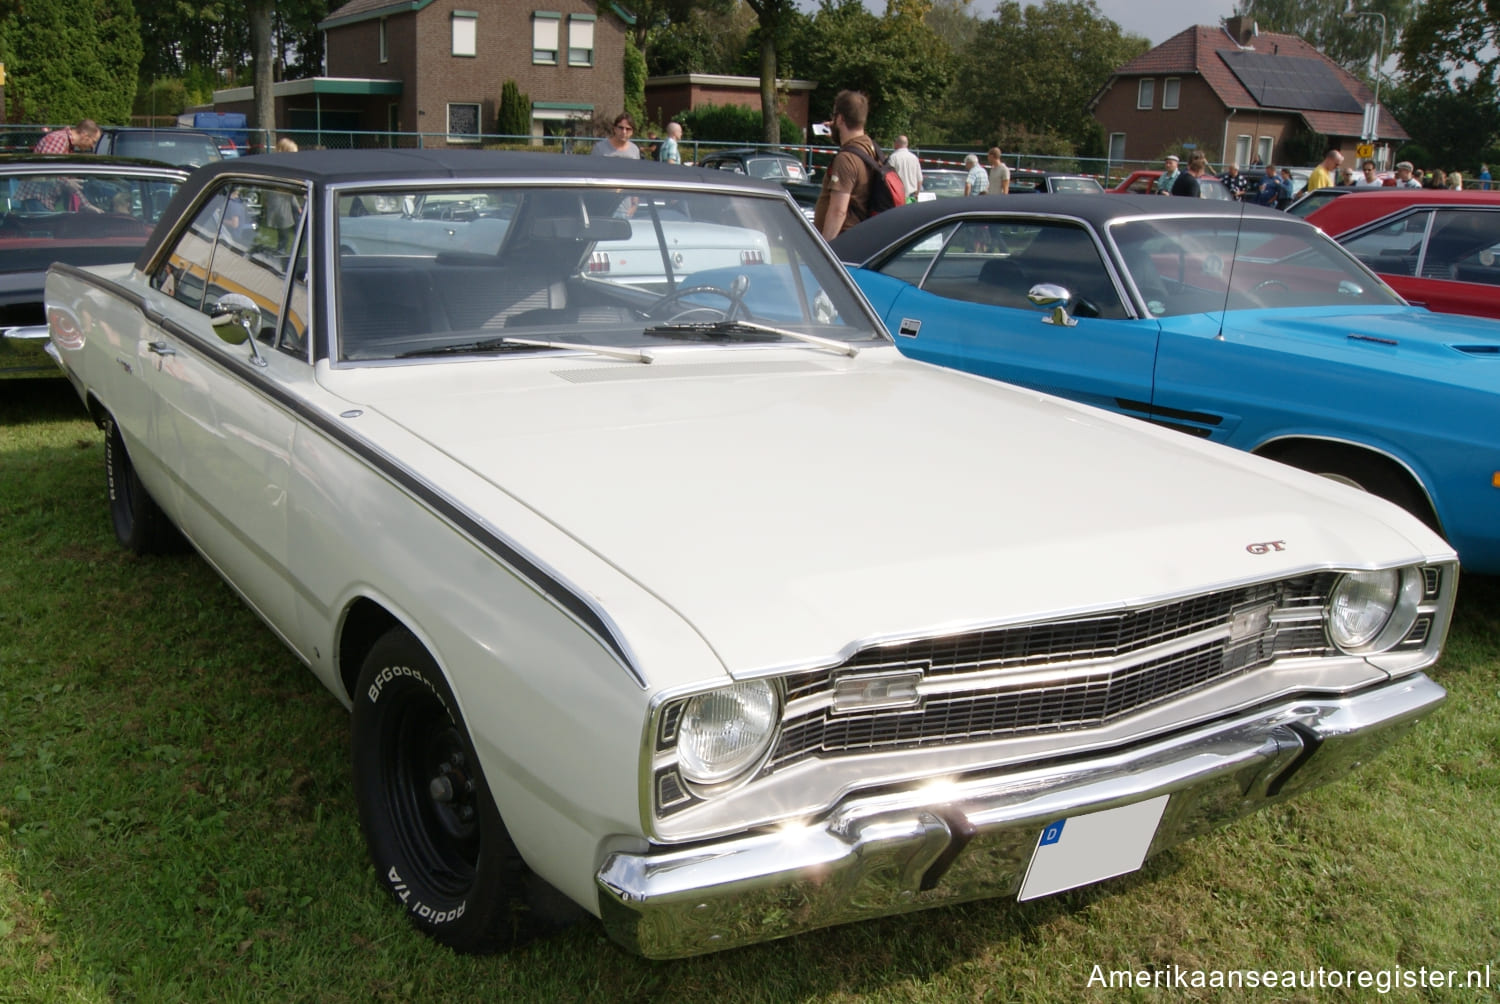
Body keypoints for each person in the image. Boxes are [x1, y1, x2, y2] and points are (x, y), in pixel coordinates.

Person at [813, 90, 881, 239]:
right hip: (859, 238)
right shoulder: (870, 147)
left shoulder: (846, 159)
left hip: (843, 241)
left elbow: (838, 211)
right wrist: (836, 133)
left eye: (835, 115)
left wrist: (824, 249)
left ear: (840, 119)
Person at [33, 120, 101, 154]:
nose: (92, 146)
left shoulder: (66, 143)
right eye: (93, 141)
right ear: (85, 136)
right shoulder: (59, 140)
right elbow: (49, 172)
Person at [886, 135, 921, 202]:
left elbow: (888, 178)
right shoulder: (914, 158)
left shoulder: (893, 158)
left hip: (897, 197)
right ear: (907, 144)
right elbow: (919, 179)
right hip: (912, 197)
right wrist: (917, 194)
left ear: (896, 144)